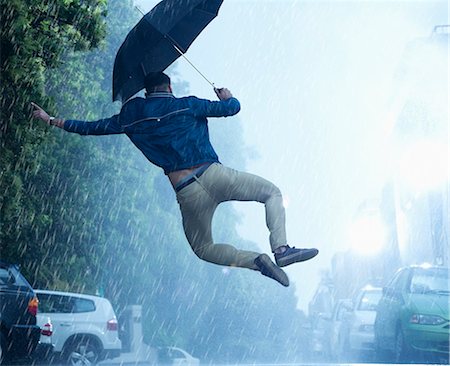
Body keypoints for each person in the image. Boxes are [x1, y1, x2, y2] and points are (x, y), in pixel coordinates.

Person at [31, 72, 318, 287]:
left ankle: (256, 262)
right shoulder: (188, 104)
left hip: (187, 191)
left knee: (203, 248)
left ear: (147, 92)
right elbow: (232, 109)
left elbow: (90, 128)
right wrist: (228, 96)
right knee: (271, 193)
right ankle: (280, 249)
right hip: (215, 175)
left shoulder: (130, 119)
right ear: (169, 87)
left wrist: (51, 119)